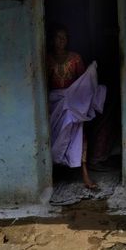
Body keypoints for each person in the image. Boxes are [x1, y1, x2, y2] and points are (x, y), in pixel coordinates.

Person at [46, 25, 106, 190]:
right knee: (55, 136)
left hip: (73, 105)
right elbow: (44, 83)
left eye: (64, 37)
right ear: (52, 40)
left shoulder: (75, 58)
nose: (62, 40)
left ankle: (85, 174)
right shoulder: (47, 59)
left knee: (80, 136)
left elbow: (83, 83)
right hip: (56, 104)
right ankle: (51, 173)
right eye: (58, 37)